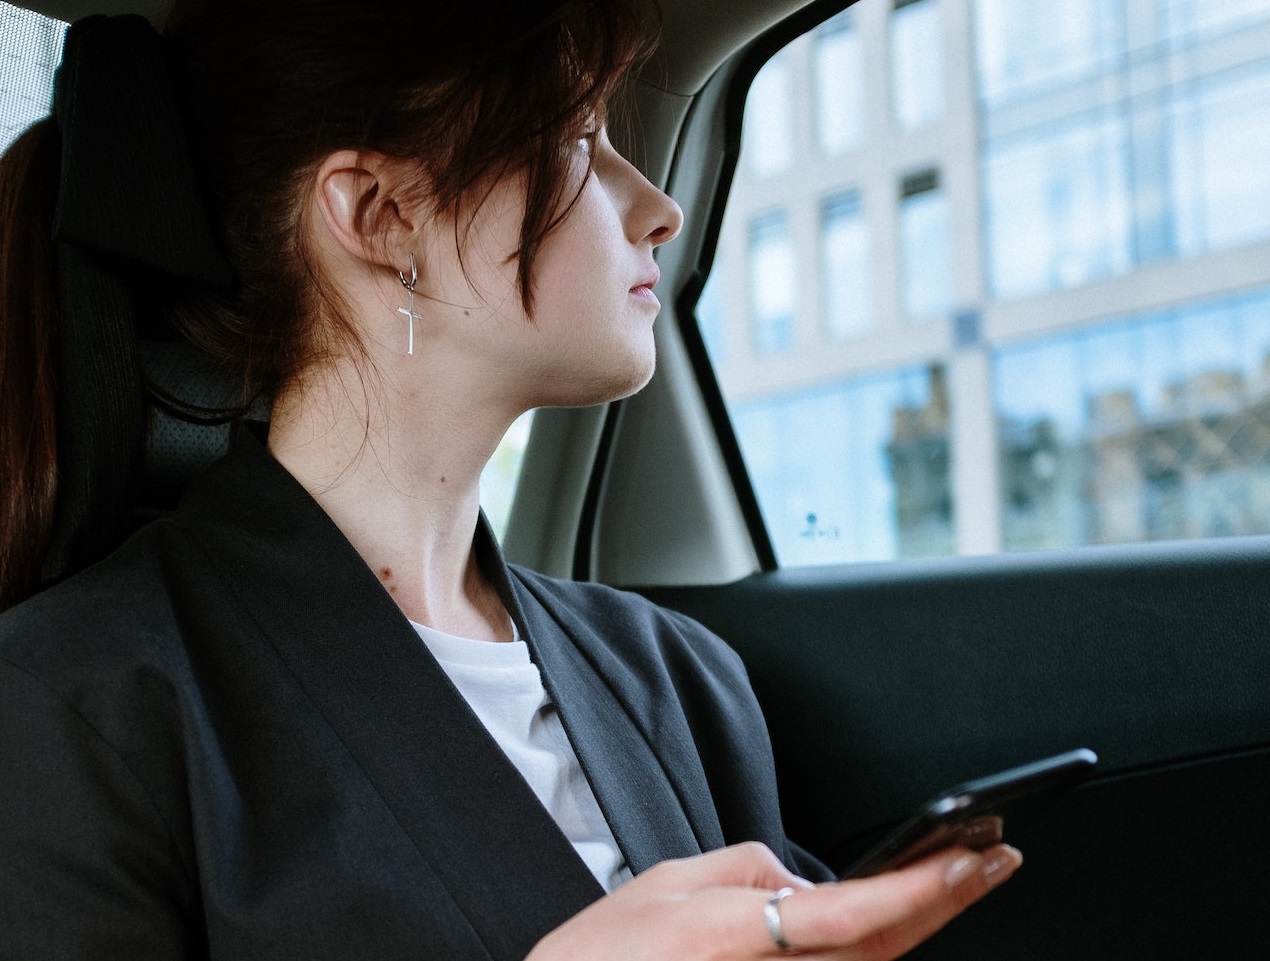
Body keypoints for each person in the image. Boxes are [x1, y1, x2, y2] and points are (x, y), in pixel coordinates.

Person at [0, 1, 1022, 958]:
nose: (660, 208)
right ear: (382, 215)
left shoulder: (674, 674)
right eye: (579, 140)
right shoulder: (70, 706)